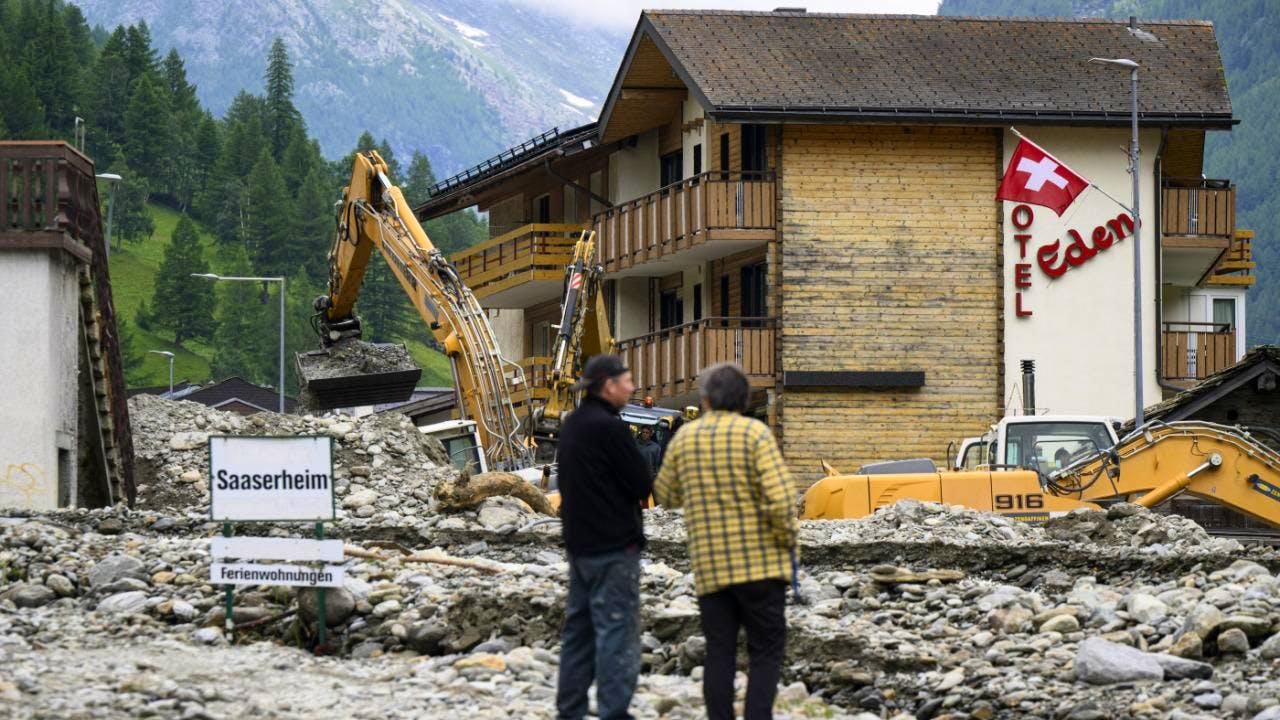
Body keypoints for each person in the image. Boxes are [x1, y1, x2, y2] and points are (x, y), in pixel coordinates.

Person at [654, 362, 798, 720]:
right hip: (762, 566)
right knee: (765, 650)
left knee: (720, 651)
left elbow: (666, 494)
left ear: (705, 401)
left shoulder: (685, 438)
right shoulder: (756, 434)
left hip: (712, 569)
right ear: (744, 398)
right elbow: (781, 499)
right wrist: (789, 542)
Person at [555, 354, 652, 720]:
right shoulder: (611, 428)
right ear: (608, 385)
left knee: (578, 633)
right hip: (614, 546)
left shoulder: (573, 425)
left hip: (580, 546)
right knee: (617, 631)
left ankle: (570, 710)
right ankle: (614, 711)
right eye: (626, 381)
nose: (631, 387)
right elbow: (641, 483)